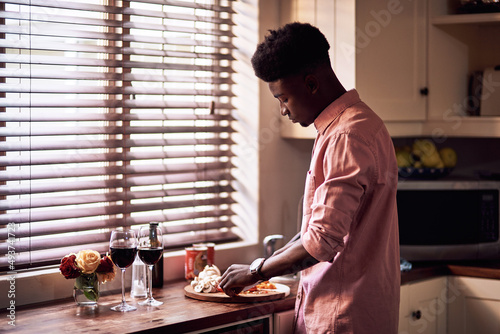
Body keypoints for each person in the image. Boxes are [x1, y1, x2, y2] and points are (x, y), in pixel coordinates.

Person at [219, 22, 400, 333]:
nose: (282, 111)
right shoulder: (360, 123)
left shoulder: (345, 136)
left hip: (343, 316)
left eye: (283, 98)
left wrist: (256, 272)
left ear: (312, 84)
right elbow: (320, 229)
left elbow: (321, 242)